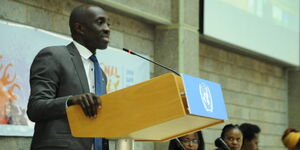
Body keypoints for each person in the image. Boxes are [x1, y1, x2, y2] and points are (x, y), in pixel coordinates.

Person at [27, 4, 110, 150]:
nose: (107, 29)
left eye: (108, 24)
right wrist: (71, 101)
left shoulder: (101, 74)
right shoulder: (54, 56)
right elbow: (35, 108)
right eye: (100, 22)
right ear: (79, 28)